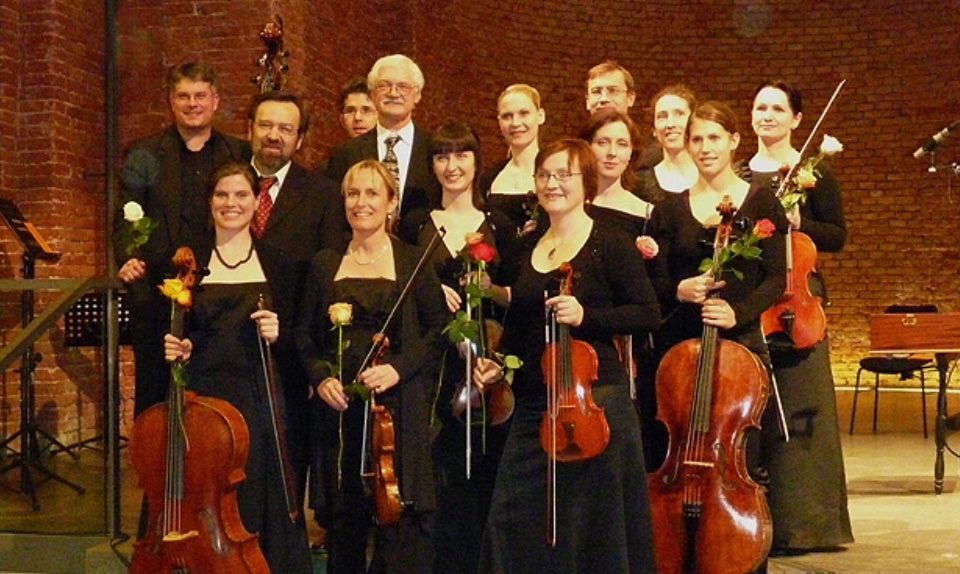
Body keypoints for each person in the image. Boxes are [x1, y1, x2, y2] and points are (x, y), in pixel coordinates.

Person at [473, 138, 661, 573]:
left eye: (563, 175)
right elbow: (519, 326)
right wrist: (497, 363)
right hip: (537, 404)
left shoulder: (610, 242)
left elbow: (647, 313)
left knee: (591, 523)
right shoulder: (525, 248)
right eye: (544, 175)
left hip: (596, 401)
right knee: (511, 514)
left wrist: (586, 316)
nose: (552, 183)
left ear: (587, 184)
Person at [645, 101, 788, 572]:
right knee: (674, 458)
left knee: (745, 467)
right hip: (682, 354)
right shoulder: (671, 207)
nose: (705, 147)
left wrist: (738, 311)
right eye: (696, 139)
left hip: (739, 350)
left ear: (733, 141)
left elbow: (775, 278)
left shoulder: (762, 202)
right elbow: (658, 282)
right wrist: (679, 289)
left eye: (713, 138)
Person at [296, 160, 449, 574]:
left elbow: (438, 331)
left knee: (398, 524)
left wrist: (397, 368)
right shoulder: (325, 262)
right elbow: (304, 334)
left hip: (396, 410)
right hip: (340, 410)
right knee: (345, 521)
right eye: (352, 193)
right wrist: (320, 376)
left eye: (371, 193)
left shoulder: (413, 260)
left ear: (391, 202)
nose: (360, 202)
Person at [161, 161, 313, 573]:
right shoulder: (186, 262)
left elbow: (301, 339)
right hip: (202, 398)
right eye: (222, 195)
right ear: (209, 201)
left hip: (259, 398)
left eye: (241, 194)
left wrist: (278, 333)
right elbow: (180, 330)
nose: (231, 203)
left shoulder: (280, 263)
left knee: (256, 494)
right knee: (200, 492)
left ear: (256, 200)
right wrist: (179, 345)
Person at [744, 80, 853, 553]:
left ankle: (807, 524)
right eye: (759, 107)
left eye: (776, 109)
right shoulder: (740, 174)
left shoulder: (812, 175)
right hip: (753, 304)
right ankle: (748, 518)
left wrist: (798, 224)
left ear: (796, 120)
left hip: (799, 305)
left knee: (804, 412)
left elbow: (836, 235)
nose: (766, 115)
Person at [402, 120, 513, 574]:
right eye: (442, 156)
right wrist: (426, 291)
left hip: (484, 364)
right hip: (434, 364)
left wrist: (490, 288)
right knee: (435, 470)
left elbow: (517, 297)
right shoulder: (414, 225)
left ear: (476, 160)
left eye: (461, 155)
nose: (452, 166)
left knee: (482, 473)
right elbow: (399, 291)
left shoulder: (499, 224)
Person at [118, 61, 249, 418]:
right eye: (183, 96)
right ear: (170, 101)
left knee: (214, 395)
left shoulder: (238, 153)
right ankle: (158, 473)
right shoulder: (143, 154)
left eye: (200, 96)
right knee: (154, 397)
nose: (193, 103)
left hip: (217, 296)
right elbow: (125, 216)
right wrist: (126, 258)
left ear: (215, 100)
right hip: (157, 299)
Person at [246, 90, 350, 503]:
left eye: (286, 129)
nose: (274, 135)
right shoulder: (227, 185)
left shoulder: (323, 195)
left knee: (289, 466)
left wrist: (312, 360)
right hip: (231, 351)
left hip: (291, 350)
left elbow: (326, 280)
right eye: (266, 125)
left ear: (300, 139)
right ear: (249, 129)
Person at [577, 108, 662, 470]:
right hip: (577, 337)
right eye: (603, 142)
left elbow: (655, 293)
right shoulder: (570, 204)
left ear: (632, 153)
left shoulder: (646, 213)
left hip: (626, 343)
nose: (611, 152)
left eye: (621, 144)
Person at [325, 54, 440, 241]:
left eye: (402, 86)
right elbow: (334, 216)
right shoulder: (346, 153)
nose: (393, 93)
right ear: (372, 93)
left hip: (423, 257)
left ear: (417, 95)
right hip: (362, 258)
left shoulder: (434, 149)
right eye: (384, 86)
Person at [478, 84, 548, 283]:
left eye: (524, 113)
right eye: (507, 116)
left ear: (540, 116)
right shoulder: (488, 179)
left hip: (541, 276)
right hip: (497, 279)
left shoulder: (557, 174)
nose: (515, 122)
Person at [634, 84, 699, 205]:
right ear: (654, 130)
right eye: (662, 117)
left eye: (679, 114)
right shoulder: (639, 184)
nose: (670, 124)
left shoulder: (712, 175)